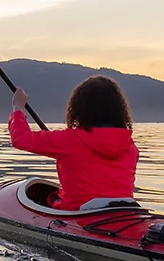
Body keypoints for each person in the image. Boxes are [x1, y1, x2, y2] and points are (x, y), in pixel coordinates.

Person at [8, 76, 138, 210]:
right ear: (119, 110)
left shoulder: (67, 140)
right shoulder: (130, 147)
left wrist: (18, 108)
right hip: (125, 212)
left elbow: (21, 138)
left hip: (76, 213)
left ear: (79, 108)